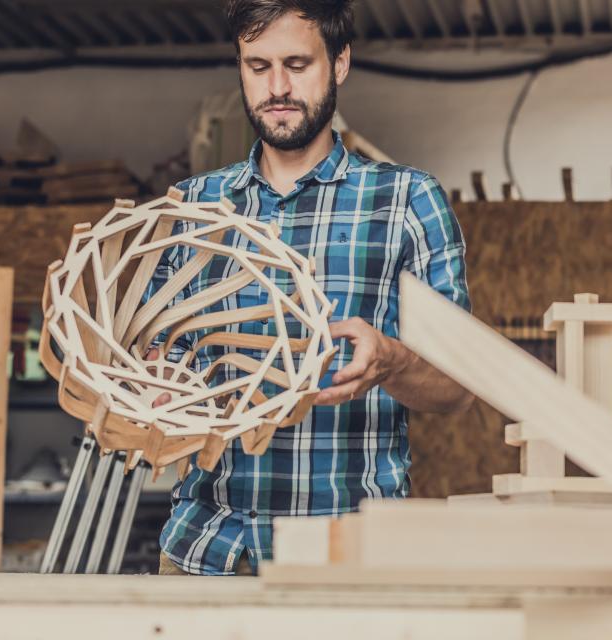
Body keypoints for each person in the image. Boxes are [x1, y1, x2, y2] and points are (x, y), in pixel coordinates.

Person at [153, 0, 473, 576]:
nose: (277, 87)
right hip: (204, 549)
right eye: (258, 67)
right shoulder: (195, 207)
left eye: (297, 65)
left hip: (350, 559)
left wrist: (393, 361)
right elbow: (156, 361)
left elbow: (459, 388)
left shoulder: (407, 202)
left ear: (340, 62)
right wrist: (150, 390)